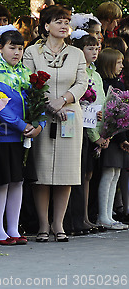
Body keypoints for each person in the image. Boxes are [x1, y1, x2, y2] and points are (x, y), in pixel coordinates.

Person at [22, 5, 88, 243]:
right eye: (58, 21)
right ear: (46, 25)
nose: (63, 25)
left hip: (69, 115)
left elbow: (82, 83)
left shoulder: (77, 54)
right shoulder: (32, 52)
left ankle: (58, 223)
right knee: (41, 173)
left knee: (66, 172)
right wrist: (48, 103)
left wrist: (62, 101)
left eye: (66, 22)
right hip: (41, 114)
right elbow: (28, 81)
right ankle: (42, 224)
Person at [0, 31, 43, 245]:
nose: (17, 52)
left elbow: (38, 101)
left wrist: (38, 125)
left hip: (23, 137)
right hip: (2, 136)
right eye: (12, 47)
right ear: (0, 48)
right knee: (1, 182)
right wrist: (21, 125)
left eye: (20, 48)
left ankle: (13, 228)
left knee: (17, 181)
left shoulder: (25, 72)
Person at [66, 33, 106, 235]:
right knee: (78, 174)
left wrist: (105, 130)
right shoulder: (78, 71)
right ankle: (74, 219)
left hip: (94, 129)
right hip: (79, 128)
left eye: (97, 47)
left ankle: (85, 216)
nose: (95, 51)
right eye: (90, 48)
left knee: (88, 174)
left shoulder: (96, 75)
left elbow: (101, 104)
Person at [96, 48, 129, 230]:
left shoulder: (118, 83)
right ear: (109, 64)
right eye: (118, 62)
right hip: (111, 136)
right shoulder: (108, 84)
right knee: (109, 174)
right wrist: (119, 136)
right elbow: (112, 112)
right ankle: (103, 215)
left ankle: (109, 215)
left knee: (115, 174)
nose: (122, 66)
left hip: (117, 135)